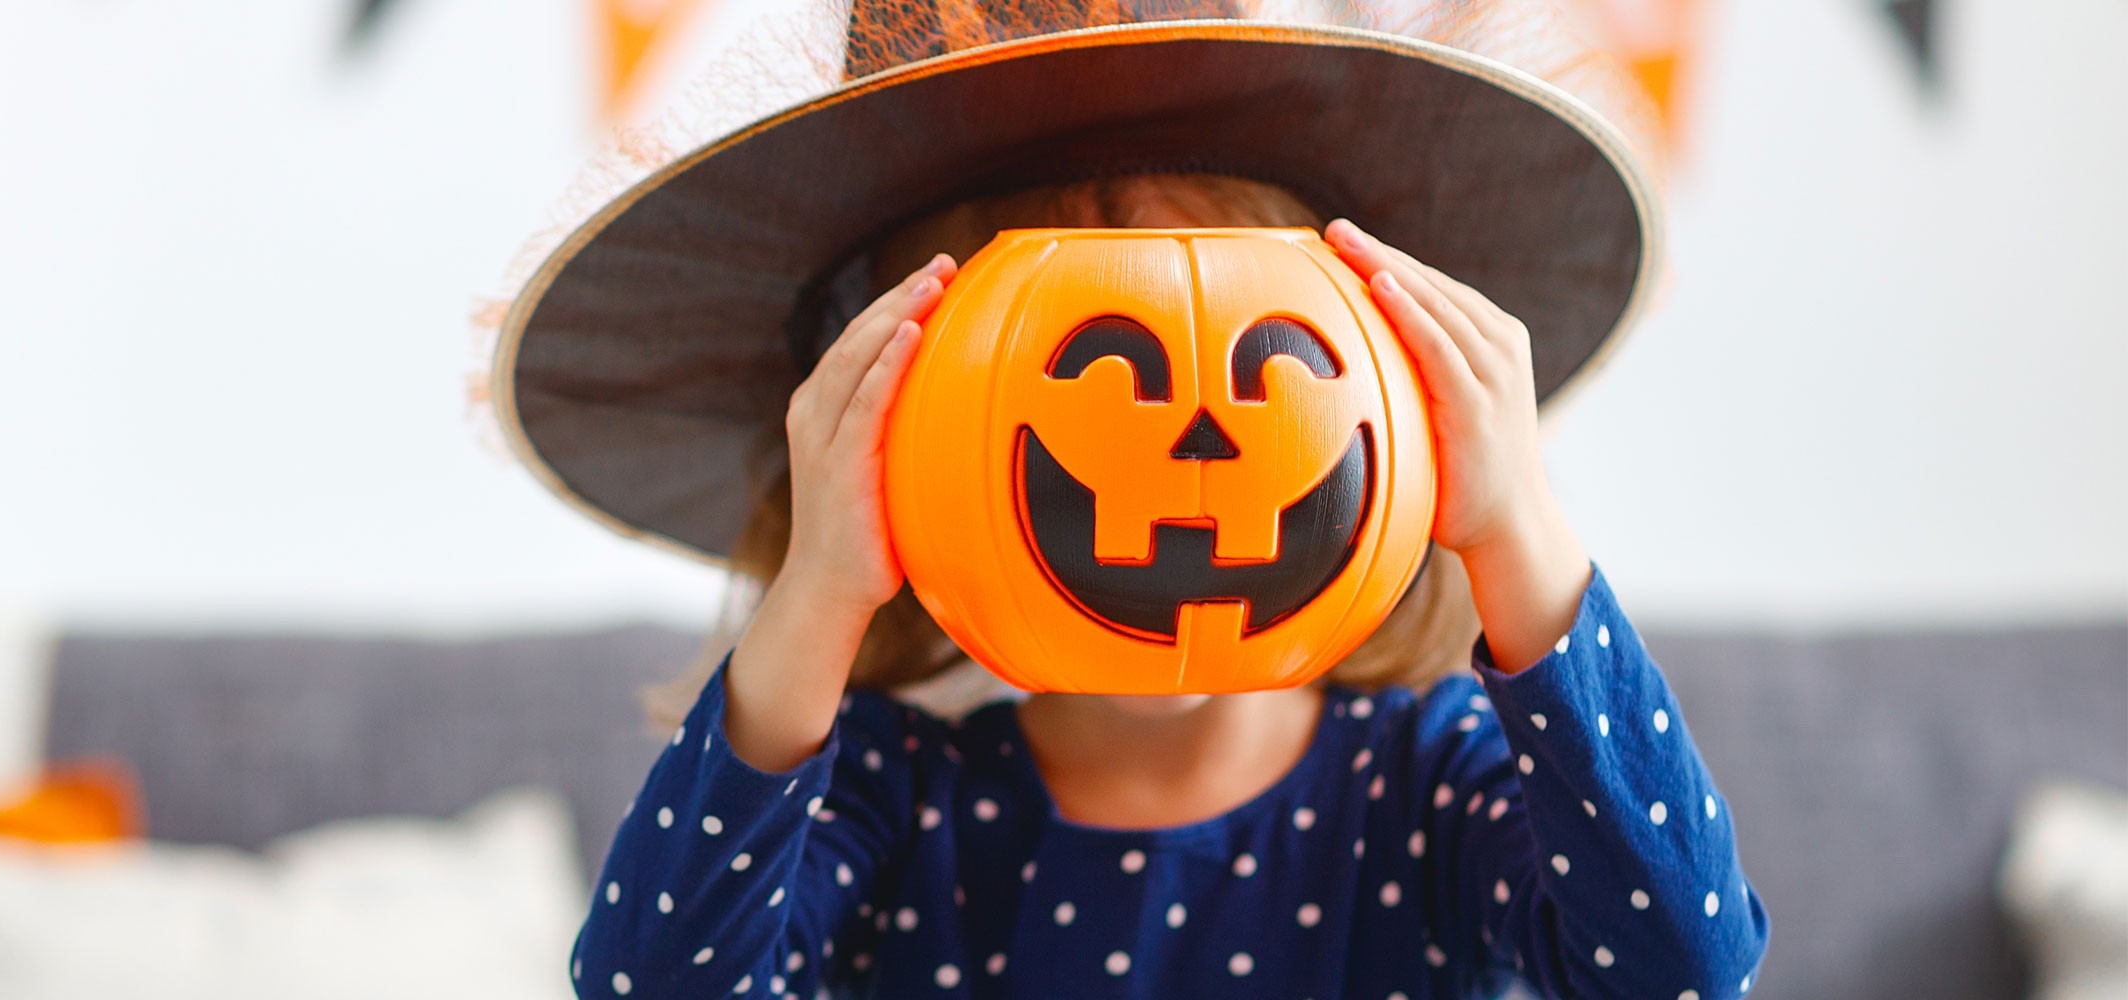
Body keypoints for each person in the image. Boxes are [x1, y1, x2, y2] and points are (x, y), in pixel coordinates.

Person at [485, 4, 1773, 995]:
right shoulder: (893, 805)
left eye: (1265, 366)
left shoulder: (1426, 787)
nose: (1191, 453)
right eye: (1100, 373)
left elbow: (1685, 966)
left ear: (1383, 410)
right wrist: (821, 589)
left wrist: (1519, 532)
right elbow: (649, 983)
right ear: (906, 444)